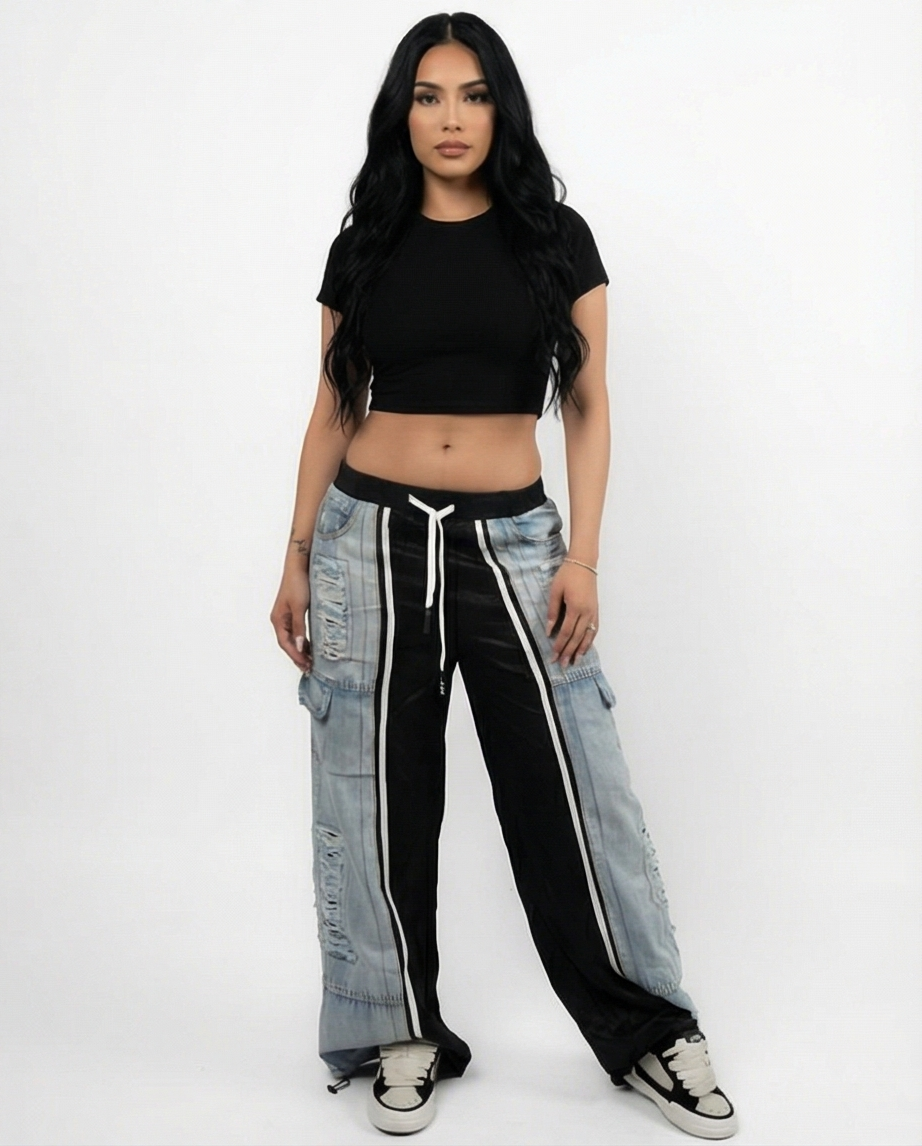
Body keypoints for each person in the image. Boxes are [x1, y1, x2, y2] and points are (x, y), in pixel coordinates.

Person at [270, 12, 738, 1140]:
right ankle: (399, 1028)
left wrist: (583, 554)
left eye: (473, 95)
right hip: (366, 541)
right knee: (374, 791)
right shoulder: (364, 243)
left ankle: (649, 1031)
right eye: (429, 96)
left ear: (501, 110)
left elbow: (587, 402)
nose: (451, 119)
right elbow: (333, 406)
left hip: (513, 543)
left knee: (573, 789)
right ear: (402, 114)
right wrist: (295, 554)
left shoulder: (554, 239)